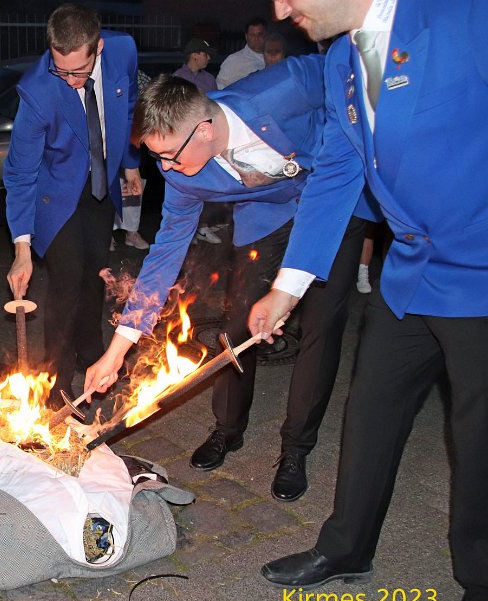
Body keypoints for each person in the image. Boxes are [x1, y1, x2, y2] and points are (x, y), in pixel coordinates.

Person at [249, 1, 488, 601]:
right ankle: (347, 547)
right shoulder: (340, 61)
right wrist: (287, 288)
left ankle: (484, 593)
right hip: (410, 274)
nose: (281, 10)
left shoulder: (464, 16)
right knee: (371, 410)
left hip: (481, 275)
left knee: (477, 440)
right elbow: (338, 170)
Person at [85, 61, 376, 502]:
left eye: (171, 155)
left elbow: (358, 77)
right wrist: (116, 352)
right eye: (157, 157)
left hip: (335, 209)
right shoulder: (178, 172)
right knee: (237, 325)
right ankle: (227, 428)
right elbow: (164, 255)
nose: (166, 168)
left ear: (203, 130)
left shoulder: (290, 86)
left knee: (321, 327)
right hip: (268, 219)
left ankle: (296, 446)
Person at [5, 3, 142, 407]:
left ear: (98, 48)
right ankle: (58, 384)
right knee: (66, 284)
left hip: (101, 185)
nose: (68, 80)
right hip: (56, 194)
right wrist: (22, 249)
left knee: (94, 275)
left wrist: (130, 163)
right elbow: (20, 173)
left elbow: (129, 106)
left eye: (77, 72)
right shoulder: (37, 91)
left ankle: (92, 354)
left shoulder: (123, 51)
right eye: (60, 70)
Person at [172, 38, 222, 246]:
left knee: (205, 185)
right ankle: (187, 231)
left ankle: (203, 226)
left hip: (204, 141)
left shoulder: (209, 79)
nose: (208, 58)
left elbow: (215, 107)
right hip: (184, 143)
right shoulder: (177, 78)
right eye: (205, 54)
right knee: (185, 188)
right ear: (195, 54)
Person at [216, 18, 266, 89]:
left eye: (260, 34)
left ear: (266, 35)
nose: (256, 38)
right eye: (252, 35)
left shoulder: (277, 58)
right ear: (246, 37)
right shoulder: (233, 61)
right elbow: (220, 89)